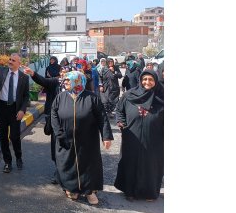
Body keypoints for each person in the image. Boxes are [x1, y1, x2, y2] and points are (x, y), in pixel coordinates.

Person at [51, 71, 114, 205]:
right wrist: (59, 132)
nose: (65, 82)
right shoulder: (60, 97)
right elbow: (54, 114)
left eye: (69, 80)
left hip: (87, 140)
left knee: (88, 165)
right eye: (65, 80)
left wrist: (106, 136)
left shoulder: (92, 98)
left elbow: (102, 117)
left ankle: (89, 191)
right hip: (65, 139)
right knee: (67, 164)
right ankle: (72, 189)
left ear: (78, 81)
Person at [114, 70, 164, 201]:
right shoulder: (129, 95)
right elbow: (119, 110)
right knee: (131, 162)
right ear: (140, 80)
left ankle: (149, 192)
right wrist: (121, 122)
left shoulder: (162, 97)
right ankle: (129, 191)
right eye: (145, 79)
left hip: (155, 139)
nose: (147, 82)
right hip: (132, 136)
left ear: (155, 81)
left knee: (151, 165)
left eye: (151, 80)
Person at [22, 65, 60, 184]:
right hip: (56, 120)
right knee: (56, 146)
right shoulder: (56, 82)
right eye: (63, 72)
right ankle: (59, 171)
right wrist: (32, 73)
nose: (65, 75)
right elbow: (43, 81)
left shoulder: (79, 90)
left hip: (72, 123)